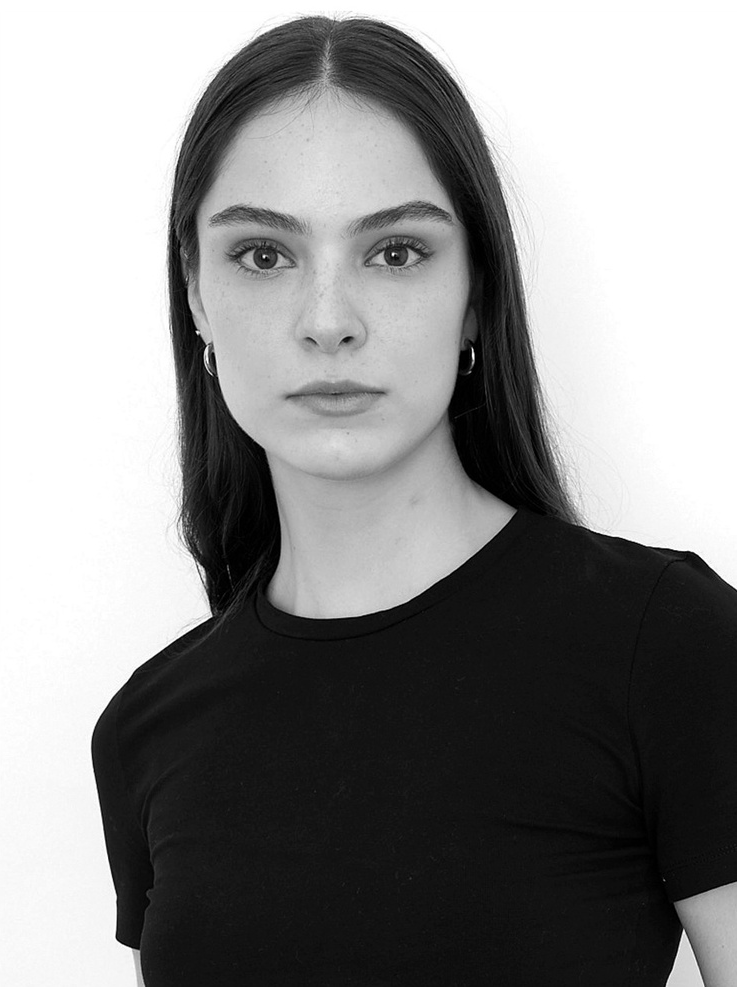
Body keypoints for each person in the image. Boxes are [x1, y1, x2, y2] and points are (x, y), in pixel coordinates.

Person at [91, 14, 737, 987]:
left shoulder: (671, 649)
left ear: (475, 292)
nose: (328, 322)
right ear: (194, 294)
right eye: (263, 255)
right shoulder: (147, 728)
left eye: (394, 252)